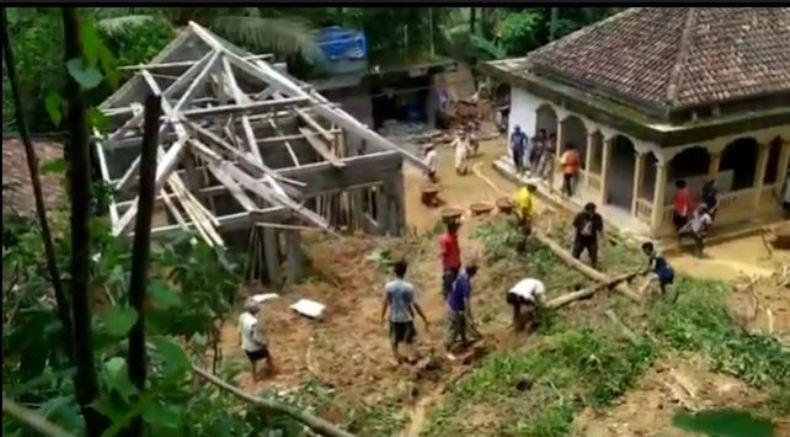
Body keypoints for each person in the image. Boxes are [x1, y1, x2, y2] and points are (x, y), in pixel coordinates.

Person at [380, 259, 429, 364]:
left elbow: (385, 302)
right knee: (409, 339)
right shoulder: (408, 287)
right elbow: (415, 304)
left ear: (394, 271)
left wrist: (382, 317)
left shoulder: (389, 286)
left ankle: (397, 358)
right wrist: (424, 317)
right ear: (405, 271)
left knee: (394, 339)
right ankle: (410, 357)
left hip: (394, 317)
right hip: (406, 317)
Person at [445, 263, 478, 358]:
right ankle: (448, 351)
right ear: (473, 274)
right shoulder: (466, 283)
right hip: (454, 307)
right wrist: (469, 315)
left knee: (462, 324)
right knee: (453, 329)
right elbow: (466, 301)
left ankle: (464, 341)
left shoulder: (461, 275)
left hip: (452, 302)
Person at [238, 299, 275, 381]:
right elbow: (256, 338)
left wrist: (239, 341)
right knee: (268, 356)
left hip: (246, 346)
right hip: (254, 348)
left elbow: (239, 330)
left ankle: (254, 378)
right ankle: (273, 373)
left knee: (253, 362)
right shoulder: (253, 322)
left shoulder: (242, 316)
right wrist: (264, 344)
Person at [572, 202, 604, 268]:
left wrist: (601, 240)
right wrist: (573, 237)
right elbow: (575, 226)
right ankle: (573, 265)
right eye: (588, 212)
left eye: (592, 212)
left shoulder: (598, 218)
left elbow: (600, 229)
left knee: (593, 253)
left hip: (591, 239)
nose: (590, 213)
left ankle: (594, 266)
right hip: (581, 237)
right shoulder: (580, 216)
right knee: (576, 252)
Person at [439, 220, 462, 299]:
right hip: (449, 264)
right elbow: (444, 253)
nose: (456, 229)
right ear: (450, 228)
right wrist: (447, 267)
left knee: (455, 280)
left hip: (456, 263)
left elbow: (456, 249)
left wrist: (459, 261)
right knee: (448, 281)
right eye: (455, 228)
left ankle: (453, 297)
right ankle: (446, 297)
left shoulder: (454, 237)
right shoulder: (445, 239)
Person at [514, 183, 537, 252]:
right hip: (523, 215)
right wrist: (526, 219)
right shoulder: (526, 196)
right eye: (535, 188)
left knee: (520, 230)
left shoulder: (524, 190)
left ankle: (519, 246)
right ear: (531, 187)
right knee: (524, 232)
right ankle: (520, 249)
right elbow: (524, 209)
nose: (536, 190)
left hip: (518, 212)